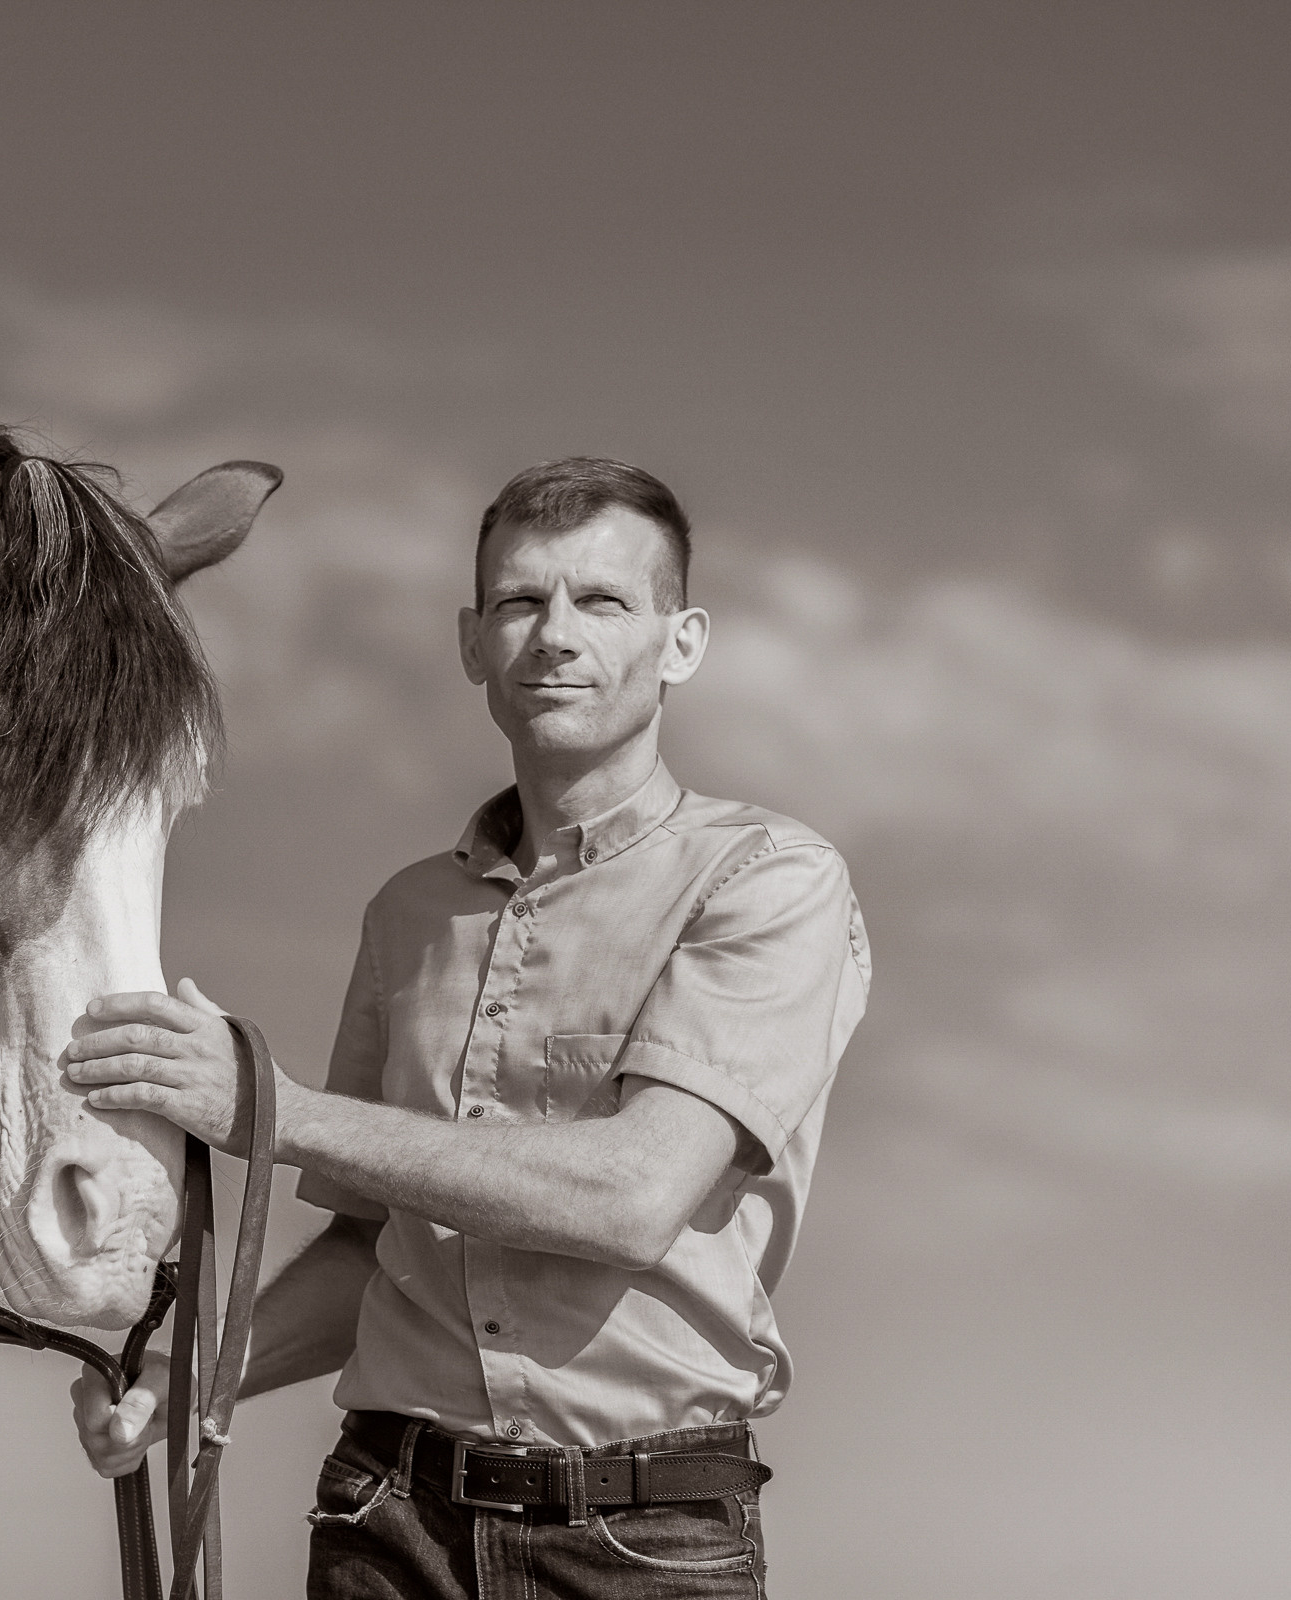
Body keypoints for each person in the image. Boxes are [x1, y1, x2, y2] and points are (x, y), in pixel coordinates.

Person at [63, 458, 869, 1599]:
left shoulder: (768, 878)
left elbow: (636, 1194)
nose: (555, 635)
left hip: (643, 1543)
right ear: (472, 643)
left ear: (681, 642)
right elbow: (370, 1248)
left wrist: (272, 1110)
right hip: (387, 1522)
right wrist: (185, 1380)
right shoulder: (407, 914)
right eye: (519, 601)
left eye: (602, 601)